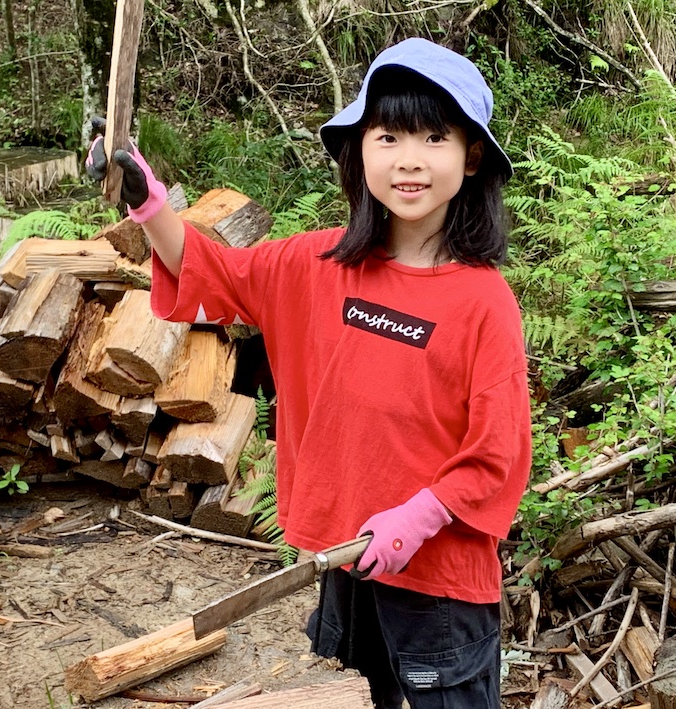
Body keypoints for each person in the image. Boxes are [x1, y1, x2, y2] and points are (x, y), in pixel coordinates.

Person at [87, 37, 532, 709]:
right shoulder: (315, 265)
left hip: (439, 579)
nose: (409, 159)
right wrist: (149, 207)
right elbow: (215, 272)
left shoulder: (482, 300)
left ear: (470, 157)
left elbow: (498, 451)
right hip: (351, 559)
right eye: (388, 136)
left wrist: (418, 514)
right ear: (360, 151)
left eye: (434, 137)